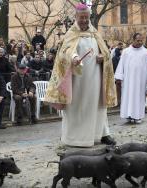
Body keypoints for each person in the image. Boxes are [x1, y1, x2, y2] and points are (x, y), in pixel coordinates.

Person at [44, 3, 117, 147]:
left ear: (89, 17)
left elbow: (106, 53)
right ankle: (75, 139)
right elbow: (65, 52)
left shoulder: (95, 33)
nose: (84, 20)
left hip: (95, 79)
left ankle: (102, 134)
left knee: (98, 106)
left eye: (86, 17)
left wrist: (103, 57)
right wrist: (74, 58)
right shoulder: (70, 34)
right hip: (77, 80)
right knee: (77, 108)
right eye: (81, 17)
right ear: (76, 17)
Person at [114, 33, 147, 123]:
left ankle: (137, 116)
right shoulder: (126, 52)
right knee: (128, 97)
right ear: (133, 40)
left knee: (139, 98)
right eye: (138, 40)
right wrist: (119, 77)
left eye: (141, 40)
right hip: (128, 80)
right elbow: (121, 65)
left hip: (141, 81)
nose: (140, 42)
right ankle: (128, 115)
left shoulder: (146, 52)